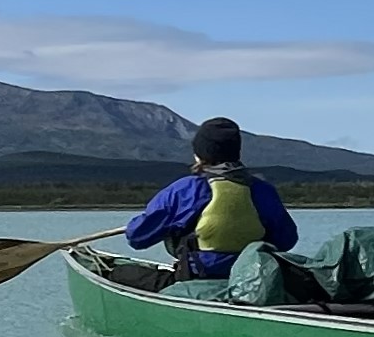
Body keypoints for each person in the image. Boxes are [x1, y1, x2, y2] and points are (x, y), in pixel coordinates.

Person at [124, 118, 300, 284]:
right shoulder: (263, 190)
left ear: (200, 154)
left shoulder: (184, 191)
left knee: (121, 274)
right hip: (250, 279)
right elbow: (287, 241)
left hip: (193, 278)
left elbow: (137, 237)